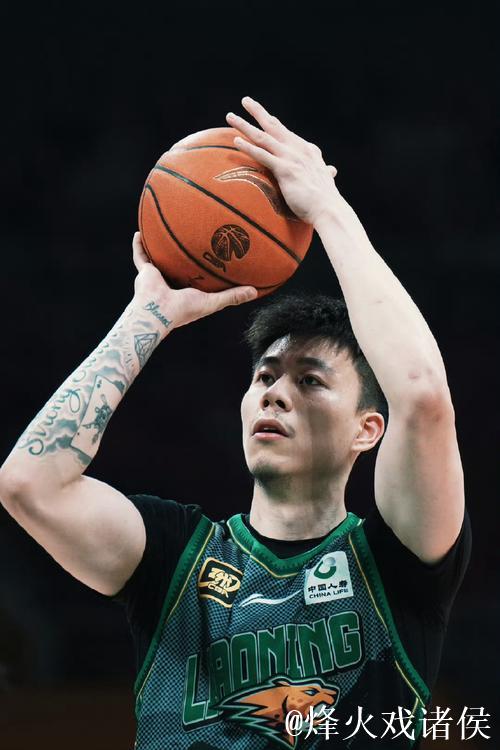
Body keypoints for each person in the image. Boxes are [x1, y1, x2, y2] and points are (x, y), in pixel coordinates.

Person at [0, 97, 470, 749]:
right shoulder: (175, 559)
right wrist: (150, 313)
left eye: (310, 381)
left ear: (367, 429)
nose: (275, 395)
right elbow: (29, 482)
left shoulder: (396, 568)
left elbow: (420, 394)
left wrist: (328, 209)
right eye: (264, 377)